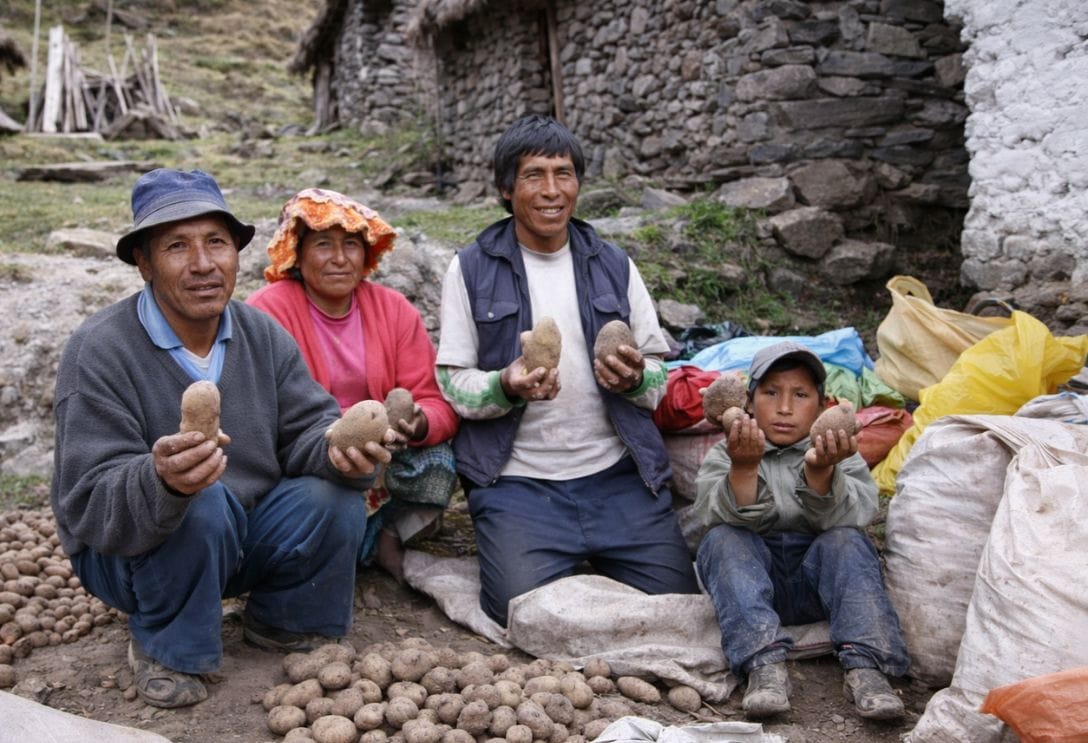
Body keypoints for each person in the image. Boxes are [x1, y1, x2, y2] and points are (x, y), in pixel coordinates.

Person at [51, 169, 396, 709]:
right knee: (200, 498)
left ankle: (285, 621)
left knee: (333, 495)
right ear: (143, 262)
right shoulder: (99, 350)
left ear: (236, 251)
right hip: (129, 552)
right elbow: (88, 503)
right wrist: (160, 479)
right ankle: (168, 646)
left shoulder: (262, 335)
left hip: (240, 539)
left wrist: (337, 451)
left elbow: (306, 429)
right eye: (176, 247)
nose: (203, 264)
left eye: (216, 242)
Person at [434, 114, 699, 627]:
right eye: (534, 175)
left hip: (616, 478)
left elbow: (660, 377)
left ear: (579, 183)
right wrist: (506, 384)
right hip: (518, 484)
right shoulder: (469, 268)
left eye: (564, 173)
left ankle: (598, 552)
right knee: (516, 609)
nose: (552, 190)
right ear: (506, 189)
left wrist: (635, 378)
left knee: (678, 603)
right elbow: (453, 385)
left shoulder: (614, 263)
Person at [247, 188, 459, 582]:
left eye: (351, 245)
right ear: (297, 251)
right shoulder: (267, 311)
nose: (340, 258)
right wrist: (335, 434)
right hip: (304, 454)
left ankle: (385, 535)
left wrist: (418, 423)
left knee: (437, 462)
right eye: (324, 244)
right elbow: (258, 412)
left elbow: (434, 400)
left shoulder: (394, 310)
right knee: (314, 493)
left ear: (367, 254)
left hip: (384, 451)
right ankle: (329, 549)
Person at [694, 341, 909, 721]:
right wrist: (743, 468)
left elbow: (860, 512)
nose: (784, 408)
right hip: (754, 593)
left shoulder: (840, 452)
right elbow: (711, 515)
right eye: (771, 392)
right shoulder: (724, 453)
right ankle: (764, 667)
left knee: (846, 540)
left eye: (801, 394)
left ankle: (867, 668)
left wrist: (821, 472)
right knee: (721, 539)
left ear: (823, 407)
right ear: (748, 401)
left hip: (817, 590)